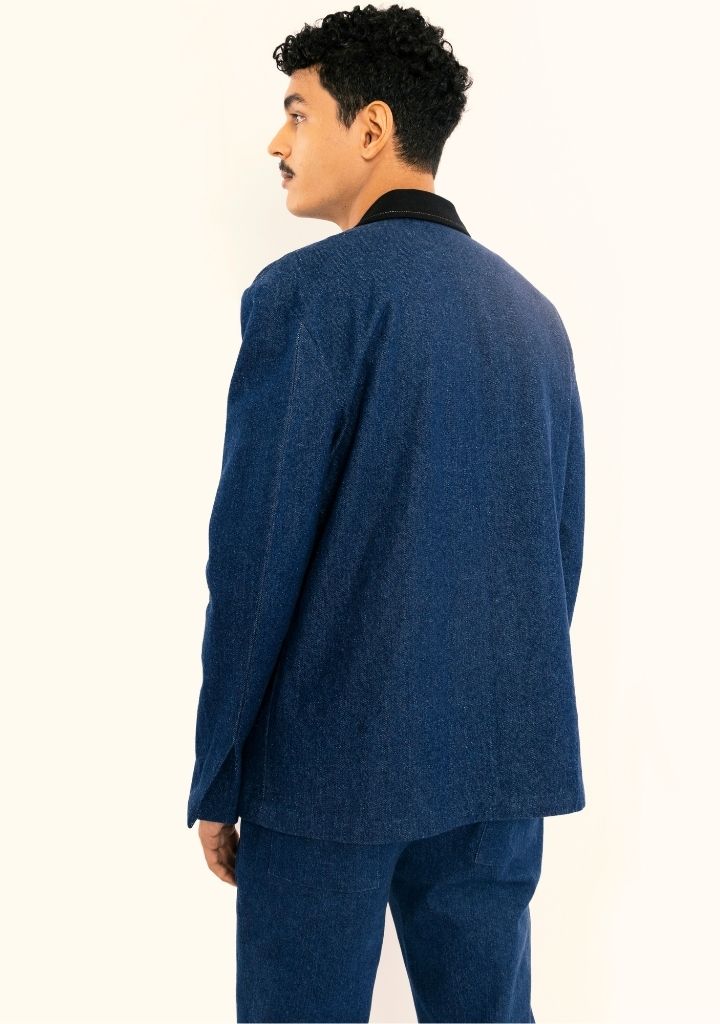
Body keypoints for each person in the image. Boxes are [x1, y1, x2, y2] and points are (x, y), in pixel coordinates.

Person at [187, 4, 586, 1022]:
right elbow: (558, 551)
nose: (277, 143)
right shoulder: (533, 317)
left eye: (298, 113)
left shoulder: (307, 296)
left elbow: (255, 556)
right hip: (501, 756)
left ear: (371, 128)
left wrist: (221, 770)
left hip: (329, 764)